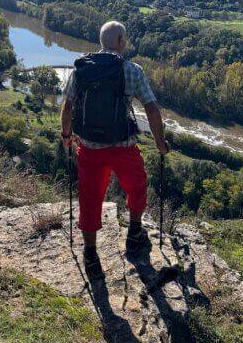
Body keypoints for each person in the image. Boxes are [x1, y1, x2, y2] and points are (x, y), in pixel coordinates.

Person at [60, 20, 169, 280]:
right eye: (126, 39)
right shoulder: (132, 70)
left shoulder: (81, 70)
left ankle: (91, 254)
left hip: (90, 149)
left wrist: (66, 136)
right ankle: (134, 233)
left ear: (101, 42)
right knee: (137, 185)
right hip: (123, 147)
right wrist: (160, 143)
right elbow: (152, 109)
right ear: (121, 41)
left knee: (89, 198)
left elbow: (67, 108)